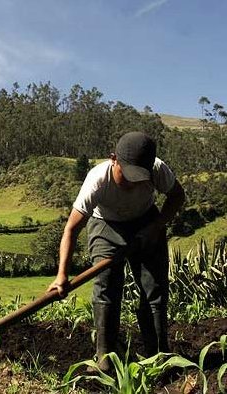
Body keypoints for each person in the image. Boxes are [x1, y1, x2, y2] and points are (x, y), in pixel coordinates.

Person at [47, 132, 185, 371]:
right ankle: (105, 356)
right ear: (114, 159)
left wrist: (156, 226)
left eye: (138, 177)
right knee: (107, 284)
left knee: (155, 289)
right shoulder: (97, 180)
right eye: (128, 176)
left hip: (146, 220)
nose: (132, 183)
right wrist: (62, 275)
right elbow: (71, 229)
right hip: (106, 224)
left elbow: (176, 196)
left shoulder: (157, 169)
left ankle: (159, 355)